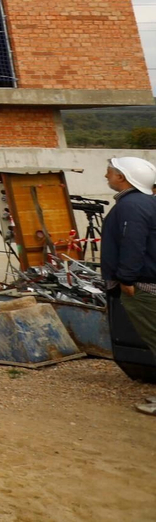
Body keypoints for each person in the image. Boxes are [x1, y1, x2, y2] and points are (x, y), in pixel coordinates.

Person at [101, 156, 156, 415]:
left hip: (144, 286)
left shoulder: (131, 205)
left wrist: (126, 279)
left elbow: (132, 243)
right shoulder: (147, 201)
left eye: (110, 172)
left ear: (122, 177)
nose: (106, 176)